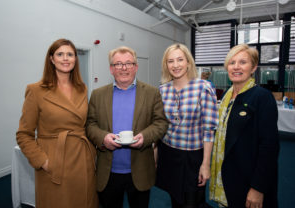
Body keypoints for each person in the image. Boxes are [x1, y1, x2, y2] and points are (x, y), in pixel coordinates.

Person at [16, 39, 99, 208]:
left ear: (75, 59)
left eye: (70, 54)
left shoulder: (81, 88)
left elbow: (86, 122)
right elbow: (24, 134)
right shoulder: (36, 90)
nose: (65, 58)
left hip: (83, 158)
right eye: (60, 54)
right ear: (51, 59)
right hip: (55, 161)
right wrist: (43, 161)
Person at [86, 46, 168, 208]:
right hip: (108, 172)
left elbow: (161, 122)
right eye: (118, 64)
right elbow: (90, 124)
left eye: (129, 63)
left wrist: (145, 137)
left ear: (136, 67)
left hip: (140, 171)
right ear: (111, 69)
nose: (123, 68)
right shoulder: (98, 94)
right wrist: (103, 138)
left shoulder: (152, 93)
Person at [209, 44, 279, 208]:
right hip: (227, 177)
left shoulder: (262, 97)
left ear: (253, 67)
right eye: (232, 62)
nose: (236, 67)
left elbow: (269, 147)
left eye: (243, 62)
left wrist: (258, 188)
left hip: (248, 181)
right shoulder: (227, 96)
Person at [156, 43, 219, 208]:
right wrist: (155, 155)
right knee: (175, 200)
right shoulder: (162, 90)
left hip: (193, 157)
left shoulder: (203, 88)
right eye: (171, 61)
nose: (175, 65)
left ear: (188, 63)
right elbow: (160, 125)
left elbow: (209, 130)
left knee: (193, 202)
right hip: (168, 153)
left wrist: (205, 164)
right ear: (166, 65)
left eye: (180, 60)